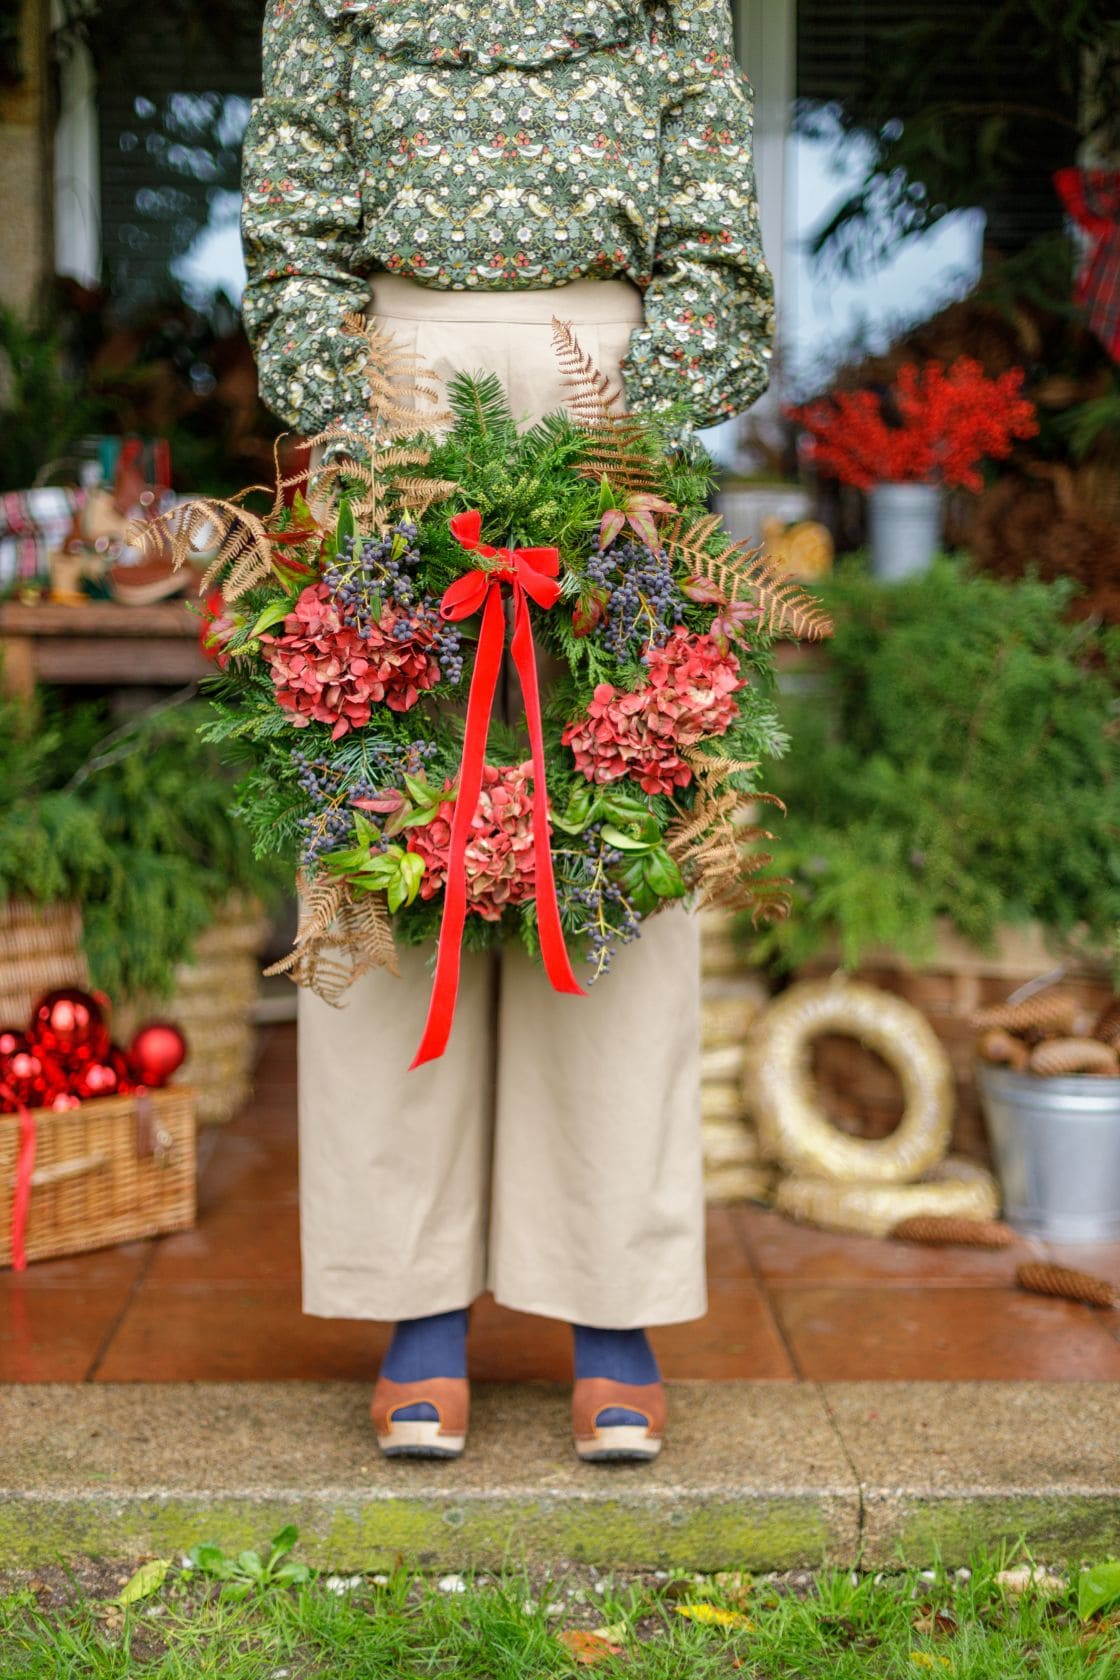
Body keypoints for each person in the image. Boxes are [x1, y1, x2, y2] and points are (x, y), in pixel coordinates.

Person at [239, 0, 774, 1463]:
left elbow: (720, 260)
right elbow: (286, 230)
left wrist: (629, 433)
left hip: (609, 418)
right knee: (395, 837)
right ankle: (417, 1312)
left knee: (614, 846)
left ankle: (615, 1308)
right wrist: (359, 420)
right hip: (392, 410)